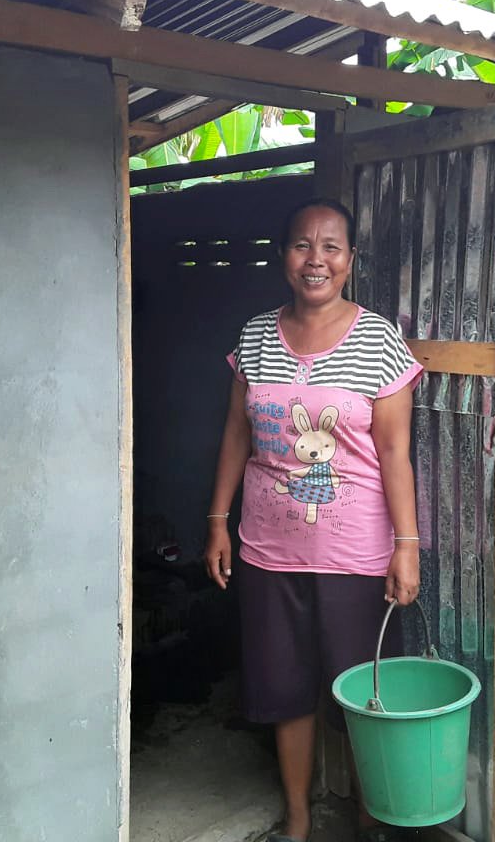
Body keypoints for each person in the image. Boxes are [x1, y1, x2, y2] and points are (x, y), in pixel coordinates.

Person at [203, 199, 424, 842]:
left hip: (355, 556)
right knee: (284, 692)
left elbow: (394, 453)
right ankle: (298, 822)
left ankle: (367, 822)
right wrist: (219, 521)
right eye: (303, 245)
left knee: (360, 700)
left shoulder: (380, 340)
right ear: (284, 257)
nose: (316, 259)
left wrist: (405, 546)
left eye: (331, 247)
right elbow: (236, 434)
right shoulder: (254, 336)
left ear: (350, 261)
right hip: (268, 552)